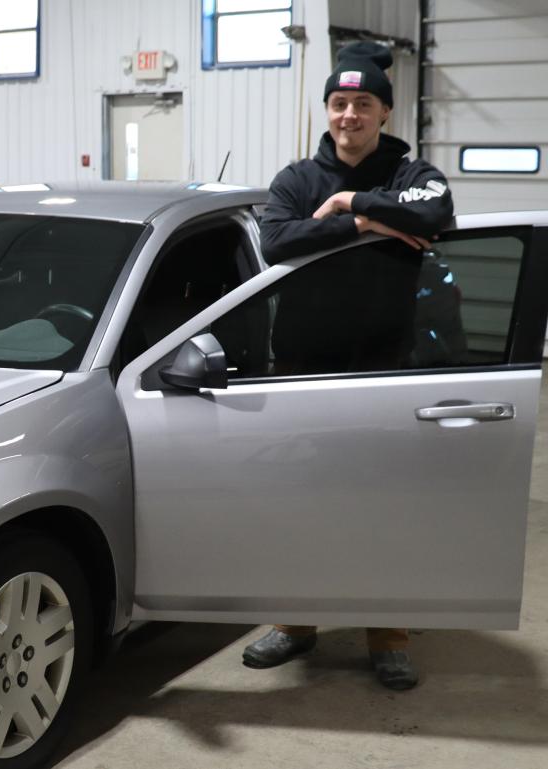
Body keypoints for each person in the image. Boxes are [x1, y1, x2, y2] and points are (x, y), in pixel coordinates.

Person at [243, 41, 454, 691]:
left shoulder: (411, 171)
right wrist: (367, 222)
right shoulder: (296, 180)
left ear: (385, 112)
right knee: (301, 502)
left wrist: (349, 205)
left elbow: (436, 213)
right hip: (304, 368)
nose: (348, 115)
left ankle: (387, 632)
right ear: (328, 110)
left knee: (383, 505)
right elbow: (277, 240)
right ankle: (298, 622)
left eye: (363, 104)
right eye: (339, 103)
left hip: (387, 368)